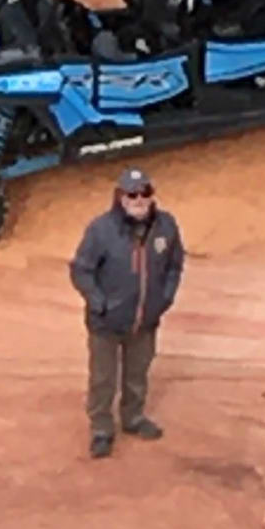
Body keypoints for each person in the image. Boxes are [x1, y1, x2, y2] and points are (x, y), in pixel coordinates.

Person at [70, 167, 184, 460]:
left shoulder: (166, 227)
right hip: (105, 324)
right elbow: (81, 269)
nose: (138, 199)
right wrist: (98, 302)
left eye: (144, 192)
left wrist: (164, 298)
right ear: (120, 197)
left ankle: (133, 419)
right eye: (131, 194)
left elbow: (174, 265)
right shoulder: (101, 230)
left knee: (137, 374)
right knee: (103, 379)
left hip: (144, 321)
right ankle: (101, 429)